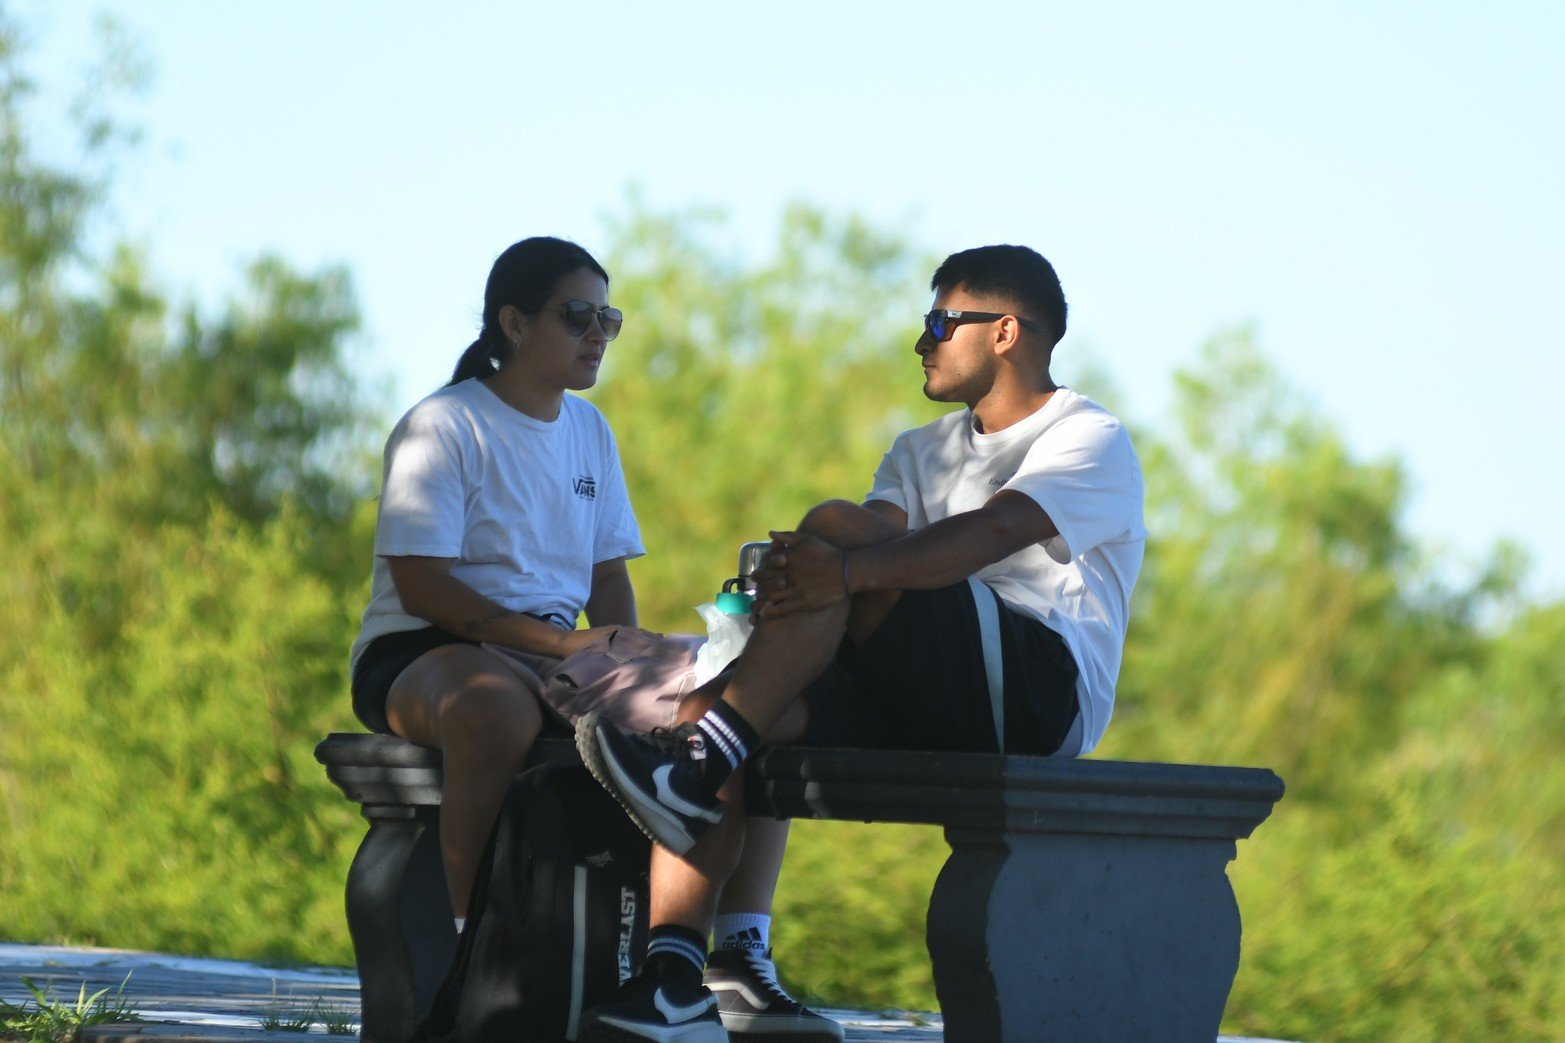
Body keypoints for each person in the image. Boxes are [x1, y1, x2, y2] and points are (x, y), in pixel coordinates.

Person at [575, 244, 1147, 1042]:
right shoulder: (922, 449)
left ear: (1007, 332)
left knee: (836, 531)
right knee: (723, 704)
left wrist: (834, 563)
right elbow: (864, 566)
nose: (922, 339)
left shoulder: (1087, 436)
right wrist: (796, 577)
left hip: (1032, 695)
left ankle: (694, 769)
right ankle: (696, 972)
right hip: (917, 684)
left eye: (941, 321)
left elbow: (990, 534)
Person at [349, 237, 840, 1043]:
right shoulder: (442, 424)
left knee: (753, 697)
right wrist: (564, 647)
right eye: (577, 316)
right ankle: (481, 952)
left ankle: (733, 957)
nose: (598, 334)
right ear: (512, 321)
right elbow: (424, 587)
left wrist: (625, 648)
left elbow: (608, 577)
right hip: (427, 647)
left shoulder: (589, 431)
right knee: (493, 712)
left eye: (607, 317)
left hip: (560, 648)